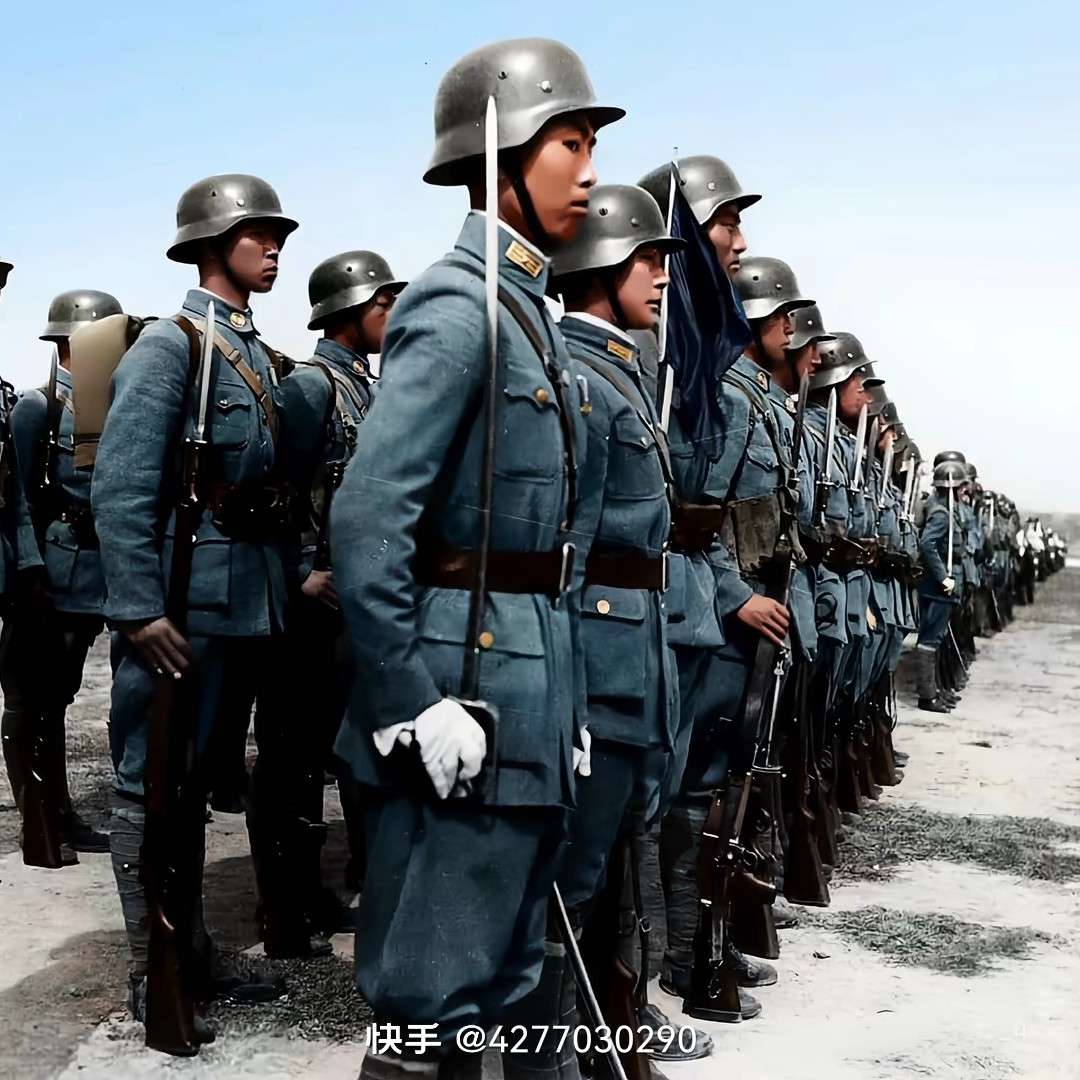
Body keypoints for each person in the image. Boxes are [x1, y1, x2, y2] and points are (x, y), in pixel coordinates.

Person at [328, 38, 623, 1079]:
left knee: (498, 981)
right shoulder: (457, 308)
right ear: (503, 154)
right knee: (429, 994)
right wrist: (410, 700)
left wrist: (567, 704)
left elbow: (550, 551)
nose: (589, 171)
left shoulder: (525, 313)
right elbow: (370, 521)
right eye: (569, 143)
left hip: (526, 694)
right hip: (463, 694)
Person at [91, 173, 298, 1029]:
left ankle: (196, 952)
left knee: (195, 785)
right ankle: (156, 972)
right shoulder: (170, 346)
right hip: (182, 609)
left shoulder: (254, 354)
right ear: (212, 245)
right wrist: (140, 609)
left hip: (241, 604)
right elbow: (122, 485)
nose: (274, 248)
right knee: (150, 786)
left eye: (279, 235)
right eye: (258, 234)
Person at [263, 250, 407, 950]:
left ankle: (350, 879)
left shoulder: (365, 388)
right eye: (383, 303)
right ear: (349, 310)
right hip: (314, 608)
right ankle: (287, 907)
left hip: (359, 601)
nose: (392, 314)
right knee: (295, 755)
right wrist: (298, 573)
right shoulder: (310, 388)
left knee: (357, 744)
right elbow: (277, 490)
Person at [1, 289, 123, 863]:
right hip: (50, 577)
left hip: (92, 578)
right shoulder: (39, 407)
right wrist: (30, 571)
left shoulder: (111, 404)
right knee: (35, 701)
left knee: (61, 697)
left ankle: (59, 813)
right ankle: (42, 820)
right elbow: (19, 499)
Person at [914, 460, 968, 712]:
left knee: (937, 638)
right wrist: (942, 577)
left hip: (940, 587)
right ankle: (927, 696)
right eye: (959, 487)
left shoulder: (944, 510)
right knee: (930, 640)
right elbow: (927, 544)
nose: (963, 491)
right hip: (938, 588)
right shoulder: (941, 513)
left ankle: (935, 690)